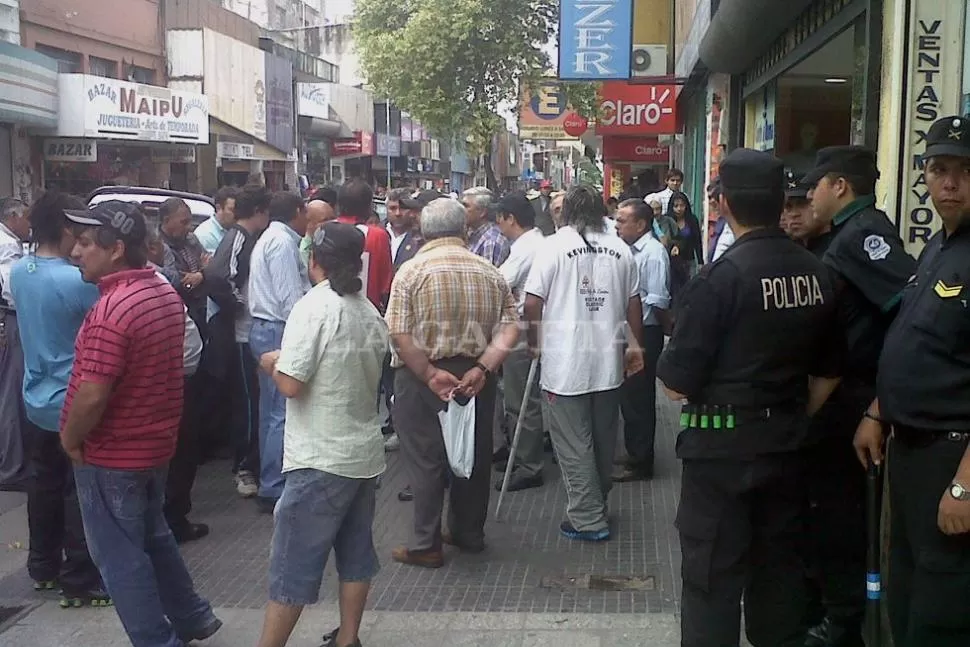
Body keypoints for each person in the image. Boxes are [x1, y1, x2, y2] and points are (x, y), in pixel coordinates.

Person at [656, 148, 841, 647]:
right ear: (781, 201)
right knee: (778, 576)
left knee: (711, 580)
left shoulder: (719, 281)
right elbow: (828, 373)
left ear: (725, 203)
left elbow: (675, 383)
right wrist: (787, 414)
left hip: (720, 456)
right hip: (786, 449)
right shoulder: (817, 273)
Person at [60, 200, 221, 646]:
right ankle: (191, 617)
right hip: (152, 447)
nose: (76, 251)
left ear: (115, 250)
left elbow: (93, 393)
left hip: (113, 454)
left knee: (118, 557)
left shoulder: (114, 309)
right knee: (153, 537)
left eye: (87, 243)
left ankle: (157, 638)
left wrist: (71, 437)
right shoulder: (160, 290)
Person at [853, 116, 970, 647]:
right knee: (906, 592)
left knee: (942, 613)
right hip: (911, 455)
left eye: (966, 171)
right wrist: (880, 409)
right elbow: (918, 343)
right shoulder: (938, 249)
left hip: (954, 458)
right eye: (940, 169)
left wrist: (966, 485)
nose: (950, 183)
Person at [801, 145, 915, 647]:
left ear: (839, 186)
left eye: (815, 185)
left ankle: (844, 621)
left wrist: (879, 402)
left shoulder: (864, 234)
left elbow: (910, 307)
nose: (808, 195)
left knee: (842, 514)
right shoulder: (843, 235)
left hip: (854, 398)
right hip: (845, 395)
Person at [255, 222, 389, 647]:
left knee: (292, 564)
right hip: (363, 456)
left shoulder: (314, 307)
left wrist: (271, 362)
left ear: (312, 260)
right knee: (355, 555)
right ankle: (348, 639)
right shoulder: (367, 310)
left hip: (320, 458)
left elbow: (292, 383)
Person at [385, 197, 519, 567]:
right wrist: (484, 368)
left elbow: (399, 331)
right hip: (476, 375)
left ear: (423, 231)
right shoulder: (489, 272)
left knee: (425, 458)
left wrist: (428, 373)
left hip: (419, 376)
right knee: (473, 454)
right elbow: (510, 327)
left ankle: (426, 542)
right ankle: (468, 532)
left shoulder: (411, 272)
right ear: (464, 229)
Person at [524, 185, 643, 543]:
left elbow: (532, 302)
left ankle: (587, 519)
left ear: (566, 213)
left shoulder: (554, 248)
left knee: (574, 442)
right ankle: (597, 501)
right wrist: (635, 349)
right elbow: (634, 304)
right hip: (608, 360)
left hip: (565, 363)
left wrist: (535, 342)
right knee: (604, 437)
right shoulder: (622, 250)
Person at [10, 191, 106, 606]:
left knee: (43, 484)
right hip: (73, 401)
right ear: (67, 229)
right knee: (77, 491)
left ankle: (43, 567)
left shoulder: (19, 271)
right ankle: (80, 577)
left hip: (35, 398)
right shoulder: (74, 281)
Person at [205, 184, 272, 499]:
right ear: (259, 212)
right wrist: (240, 306)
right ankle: (243, 466)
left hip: (250, 332)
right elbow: (218, 278)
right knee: (247, 404)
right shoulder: (238, 238)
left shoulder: (252, 239)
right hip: (241, 334)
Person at [249, 192, 311, 512]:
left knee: (271, 411)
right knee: (279, 413)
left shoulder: (271, 237)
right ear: (298, 212)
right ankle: (273, 486)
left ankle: (270, 480)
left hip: (267, 327)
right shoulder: (283, 243)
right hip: (277, 329)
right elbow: (291, 301)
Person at [612, 199, 671, 483]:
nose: (617, 225)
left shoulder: (653, 253)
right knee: (630, 395)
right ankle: (634, 451)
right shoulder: (627, 250)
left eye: (622, 220)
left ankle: (641, 461)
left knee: (639, 396)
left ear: (641, 224)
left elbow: (658, 301)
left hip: (646, 331)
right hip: (630, 329)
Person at [493, 191, 546, 492]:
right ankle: (521, 455)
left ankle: (528, 464)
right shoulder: (532, 243)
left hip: (524, 328)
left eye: (500, 221)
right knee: (519, 398)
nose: (499, 228)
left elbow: (500, 282)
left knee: (520, 400)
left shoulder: (527, 247)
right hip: (527, 324)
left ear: (510, 219)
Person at [0, 196, 29, 490]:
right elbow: (13, 290)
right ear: (14, 217)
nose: (29, 224)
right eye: (26, 217)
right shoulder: (7, 246)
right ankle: (11, 468)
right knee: (11, 392)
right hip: (10, 319)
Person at [335, 180, 394, 311]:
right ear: (369, 206)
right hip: (367, 312)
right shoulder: (377, 236)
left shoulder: (323, 230)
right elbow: (386, 285)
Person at [158, 198, 209, 332]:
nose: (189, 227)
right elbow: (178, 282)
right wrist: (198, 276)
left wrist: (201, 275)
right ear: (166, 220)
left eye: (190, 221)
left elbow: (211, 263)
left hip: (201, 310)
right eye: (184, 222)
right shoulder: (158, 248)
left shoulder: (191, 239)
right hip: (178, 313)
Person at [782, 170, 830, 252]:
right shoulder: (786, 250)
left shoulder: (837, 247)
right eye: (788, 206)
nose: (794, 214)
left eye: (802, 204)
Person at [463, 186, 510, 267]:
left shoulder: (491, 242)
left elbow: (489, 278)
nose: (462, 209)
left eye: (466, 206)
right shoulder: (470, 234)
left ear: (482, 212)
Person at [194, 187, 238, 254]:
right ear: (219, 208)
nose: (236, 214)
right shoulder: (205, 235)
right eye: (232, 210)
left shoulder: (235, 229)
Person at [667, 190, 704, 269]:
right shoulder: (667, 220)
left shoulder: (692, 220)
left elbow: (697, 241)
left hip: (689, 261)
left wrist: (700, 262)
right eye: (676, 206)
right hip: (670, 261)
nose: (679, 209)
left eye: (682, 205)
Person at [299, 199, 336, 268]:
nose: (331, 223)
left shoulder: (341, 240)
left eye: (332, 218)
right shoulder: (304, 251)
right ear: (309, 224)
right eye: (325, 220)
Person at [708, 179, 736, 262]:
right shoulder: (721, 223)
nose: (711, 202)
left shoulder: (733, 225)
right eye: (709, 197)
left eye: (713, 198)